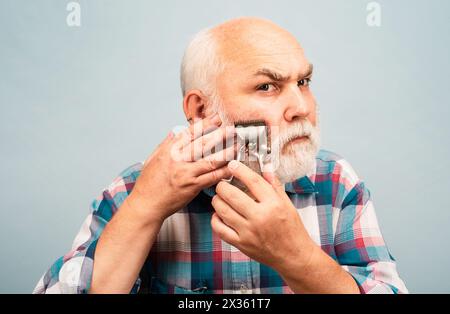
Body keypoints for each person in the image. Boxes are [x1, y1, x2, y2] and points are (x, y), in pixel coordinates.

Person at [34, 17, 408, 294]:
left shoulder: (336, 182)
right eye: (267, 86)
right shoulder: (133, 190)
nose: (301, 107)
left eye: (303, 82)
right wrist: (144, 209)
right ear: (199, 111)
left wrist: (297, 256)